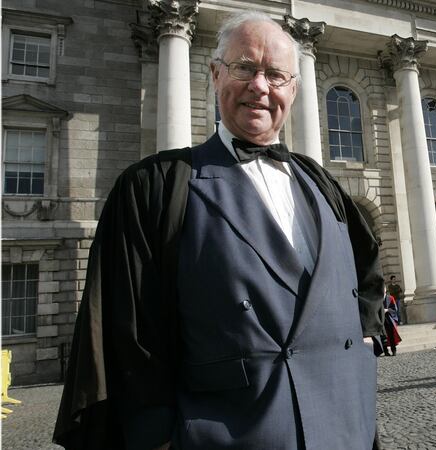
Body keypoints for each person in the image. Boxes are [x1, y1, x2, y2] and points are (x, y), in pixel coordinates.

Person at [54, 12, 384, 450]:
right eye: (244, 67)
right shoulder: (153, 186)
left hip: (343, 429)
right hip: (228, 434)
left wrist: (361, 344)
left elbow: (365, 276)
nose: (260, 87)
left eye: (276, 75)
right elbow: (126, 338)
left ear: (294, 89)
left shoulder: (323, 183)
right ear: (215, 74)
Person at [382, 289, 402, 356]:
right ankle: (386, 351)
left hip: (389, 319)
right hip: (381, 320)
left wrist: (387, 310)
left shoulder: (390, 298)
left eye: (383, 288)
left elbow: (395, 309)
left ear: (385, 289)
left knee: (391, 335)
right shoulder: (377, 298)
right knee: (383, 336)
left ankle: (394, 350)